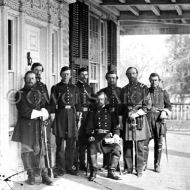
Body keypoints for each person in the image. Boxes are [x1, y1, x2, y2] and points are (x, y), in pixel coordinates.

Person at [12, 71, 53, 185]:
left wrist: (45, 112)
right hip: (25, 127)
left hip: (38, 126)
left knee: (41, 151)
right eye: (28, 78)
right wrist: (40, 113)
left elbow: (45, 105)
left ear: (35, 80)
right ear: (25, 79)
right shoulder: (19, 94)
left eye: (33, 78)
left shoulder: (38, 93)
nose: (31, 80)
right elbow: (24, 111)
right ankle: (30, 175)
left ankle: (44, 174)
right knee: (27, 152)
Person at [119, 67, 151, 177]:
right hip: (127, 119)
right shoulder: (123, 89)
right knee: (127, 144)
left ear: (137, 74)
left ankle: (139, 169)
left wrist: (137, 113)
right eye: (129, 74)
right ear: (127, 75)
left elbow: (147, 105)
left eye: (133, 73)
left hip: (139, 118)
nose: (132, 75)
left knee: (140, 146)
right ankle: (128, 168)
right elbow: (121, 106)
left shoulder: (144, 88)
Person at [86, 91, 121, 181]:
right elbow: (89, 126)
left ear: (105, 100)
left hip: (108, 137)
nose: (99, 101)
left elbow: (116, 126)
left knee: (117, 148)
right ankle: (93, 171)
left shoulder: (111, 111)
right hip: (96, 136)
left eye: (101, 99)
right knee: (91, 146)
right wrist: (90, 135)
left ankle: (111, 171)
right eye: (98, 99)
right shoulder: (93, 111)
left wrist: (116, 136)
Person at [50, 66, 79, 176]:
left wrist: (78, 116)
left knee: (71, 143)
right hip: (60, 115)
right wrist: (53, 118)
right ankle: (60, 168)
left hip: (71, 115)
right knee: (60, 143)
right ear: (60, 75)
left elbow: (78, 104)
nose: (66, 76)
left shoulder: (74, 88)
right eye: (64, 74)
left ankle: (69, 167)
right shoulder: (56, 88)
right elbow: (53, 104)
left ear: (70, 75)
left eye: (68, 74)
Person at [143, 73, 171, 173]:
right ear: (149, 80)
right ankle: (144, 164)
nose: (154, 82)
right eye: (152, 80)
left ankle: (157, 164)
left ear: (159, 81)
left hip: (159, 120)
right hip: (148, 119)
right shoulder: (145, 92)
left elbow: (168, 106)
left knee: (158, 144)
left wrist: (164, 111)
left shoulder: (164, 92)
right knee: (144, 143)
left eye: (155, 80)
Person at [31, 63, 54, 177]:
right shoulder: (30, 85)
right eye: (36, 70)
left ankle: (49, 169)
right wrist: (38, 114)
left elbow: (48, 103)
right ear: (32, 71)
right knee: (37, 146)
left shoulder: (44, 86)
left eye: (40, 70)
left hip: (45, 119)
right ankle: (37, 171)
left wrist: (46, 114)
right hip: (35, 120)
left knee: (47, 144)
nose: (38, 73)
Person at [98, 70, 122, 170]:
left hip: (117, 119)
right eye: (109, 78)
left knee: (116, 141)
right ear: (106, 79)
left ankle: (115, 165)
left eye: (114, 78)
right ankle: (106, 164)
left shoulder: (121, 91)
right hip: (106, 119)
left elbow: (123, 106)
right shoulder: (102, 91)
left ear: (116, 79)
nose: (111, 80)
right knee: (106, 139)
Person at [75, 67, 95, 171]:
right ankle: (79, 163)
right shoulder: (74, 87)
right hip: (79, 115)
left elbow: (93, 101)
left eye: (86, 75)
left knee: (87, 139)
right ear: (78, 75)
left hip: (88, 116)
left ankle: (87, 164)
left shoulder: (89, 88)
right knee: (79, 140)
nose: (84, 77)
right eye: (82, 74)